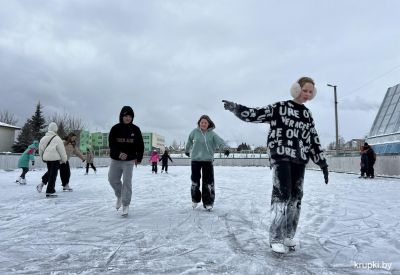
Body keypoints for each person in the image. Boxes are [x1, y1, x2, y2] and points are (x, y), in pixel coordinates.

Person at [223, 76, 329, 254]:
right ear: (296, 89)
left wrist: (323, 163)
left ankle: (288, 235)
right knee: (282, 193)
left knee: (296, 196)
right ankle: (276, 237)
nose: (307, 94)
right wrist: (236, 108)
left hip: (299, 158)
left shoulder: (307, 115)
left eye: (311, 92)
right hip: (280, 155)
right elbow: (255, 114)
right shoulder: (280, 107)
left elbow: (313, 140)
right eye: (305, 90)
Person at [185, 114, 230, 211]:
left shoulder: (212, 134)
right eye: (202, 122)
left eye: (205, 122)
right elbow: (189, 141)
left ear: (208, 124)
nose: (203, 124)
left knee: (208, 183)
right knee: (195, 182)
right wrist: (187, 150)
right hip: (195, 160)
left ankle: (208, 202)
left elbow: (220, 141)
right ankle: (195, 199)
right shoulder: (194, 132)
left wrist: (225, 148)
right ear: (199, 123)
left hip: (208, 160)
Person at [108, 106, 144, 216]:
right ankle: (119, 195)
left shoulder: (135, 129)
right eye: (126, 116)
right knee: (112, 179)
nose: (128, 118)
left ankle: (126, 204)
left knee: (127, 182)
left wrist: (139, 158)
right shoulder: (115, 128)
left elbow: (140, 145)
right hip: (116, 159)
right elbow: (111, 144)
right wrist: (119, 153)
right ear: (122, 116)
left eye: (130, 116)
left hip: (129, 160)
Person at [38, 122, 67, 197]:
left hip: (47, 159)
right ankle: (50, 191)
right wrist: (64, 159)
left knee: (51, 173)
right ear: (55, 129)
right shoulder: (57, 138)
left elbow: (40, 150)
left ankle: (48, 187)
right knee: (53, 175)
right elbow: (62, 150)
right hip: (55, 159)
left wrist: (42, 158)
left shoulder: (43, 138)